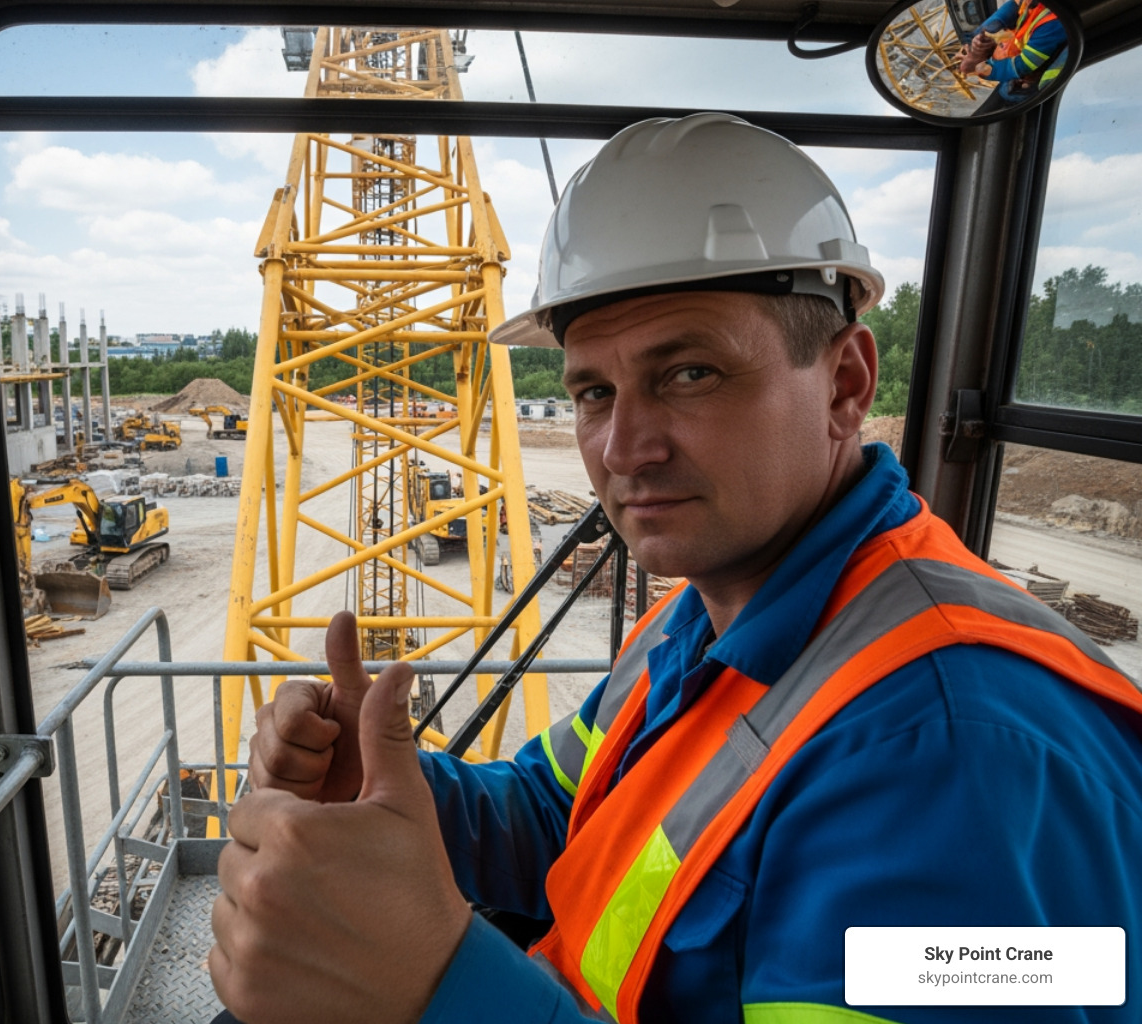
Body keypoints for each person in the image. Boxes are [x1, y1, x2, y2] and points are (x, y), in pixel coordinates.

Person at [209, 112, 1142, 1023]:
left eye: (689, 373)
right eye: (593, 391)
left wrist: (439, 990)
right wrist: (400, 799)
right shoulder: (702, 618)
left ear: (847, 384)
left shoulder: (951, 748)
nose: (624, 448)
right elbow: (559, 812)